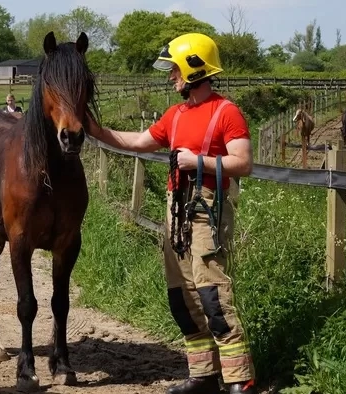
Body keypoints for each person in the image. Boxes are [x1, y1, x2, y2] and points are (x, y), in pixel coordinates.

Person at [86, 33, 256, 394]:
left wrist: (199, 161)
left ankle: (240, 378)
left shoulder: (227, 112)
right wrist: (93, 129)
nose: (171, 77)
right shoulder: (175, 115)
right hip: (175, 211)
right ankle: (204, 375)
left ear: (195, 68)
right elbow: (138, 141)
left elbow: (243, 163)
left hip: (207, 208)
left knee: (211, 293)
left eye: (175, 69)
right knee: (181, 295)